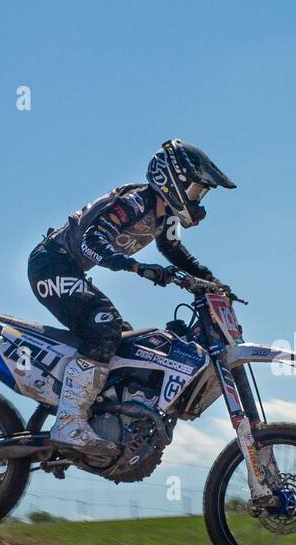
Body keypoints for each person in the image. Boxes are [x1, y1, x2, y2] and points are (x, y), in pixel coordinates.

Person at [27, 139, 236, 461]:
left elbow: (174, 252)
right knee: (105, 325)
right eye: (196, 191)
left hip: (70, 270)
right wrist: (137, 267)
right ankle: (68, 423)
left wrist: (214, 283)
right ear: (173, 181)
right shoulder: (136, 202)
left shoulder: (163, 216)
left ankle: (97, 421)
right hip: (50, 264)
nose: (198, 200)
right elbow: (90, 243)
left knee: (127, 342)